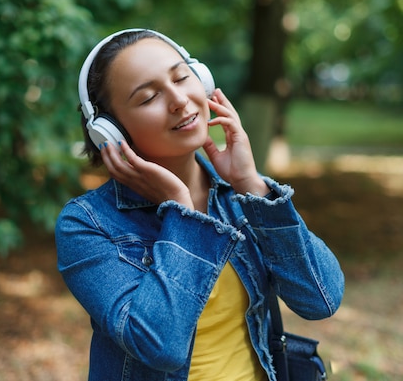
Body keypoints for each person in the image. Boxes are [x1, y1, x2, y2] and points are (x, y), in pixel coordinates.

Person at [55, 28, 344, 381]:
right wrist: (182, 212)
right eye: (148, 98)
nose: (179, 100)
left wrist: (250, 184)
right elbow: (161, 346)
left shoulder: (242, 198)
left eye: (181, 77)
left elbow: (321, 299)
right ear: (111, 132)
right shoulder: (87, 224)